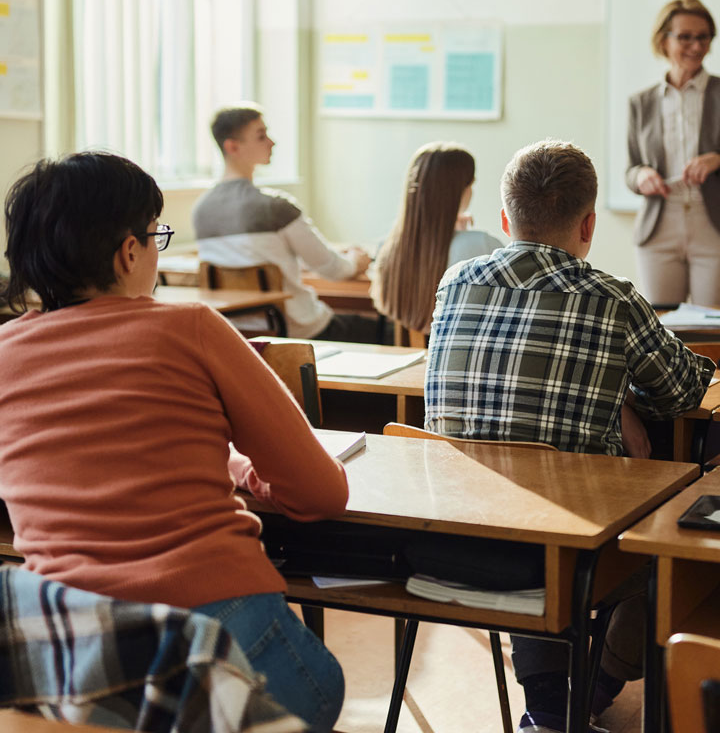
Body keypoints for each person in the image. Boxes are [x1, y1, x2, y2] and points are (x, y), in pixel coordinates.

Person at [0, 151, 350, 730]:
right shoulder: (191, 327)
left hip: (75, 658)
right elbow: (321, 493)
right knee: (321, 684)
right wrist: (245, 474)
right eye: (155, 235)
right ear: (129, 251)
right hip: (218, 627)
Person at [424, 139, 714, 733]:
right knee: (685, 547)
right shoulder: (612, 298)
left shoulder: (455, 282)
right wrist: (623, 397)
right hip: (565, 554)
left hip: (446, 538)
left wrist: (614, 397)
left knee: (525, 493)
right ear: (588, 225)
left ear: (506, 220)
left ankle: (552, 710)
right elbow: (683, 392)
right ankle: (588, 694)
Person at [625, 0, 720, 307]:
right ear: (663, 40)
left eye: (704, 37)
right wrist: (641, 175)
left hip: (718, 228)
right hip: (658, 228)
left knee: (714, 325)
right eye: (685, 37)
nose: (696, 46)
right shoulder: (641, 102)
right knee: (660, 327)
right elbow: (630, 170)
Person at [193, 103, 371, 340]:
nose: (272, 142)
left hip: (239, 336)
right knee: (382, 329)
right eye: (261, 136)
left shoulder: (201, 211)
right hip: (299, 331)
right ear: (232, 146)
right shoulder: (275, 207)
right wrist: (356, 261)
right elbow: (332, 269)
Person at [371, 142, 503, 335]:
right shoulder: (481, 246)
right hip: (463, 352)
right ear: (460, 190)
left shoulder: (387, 248)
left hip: (415, 353)